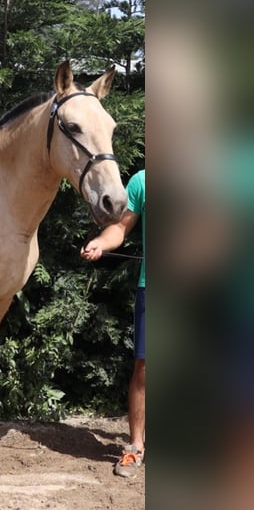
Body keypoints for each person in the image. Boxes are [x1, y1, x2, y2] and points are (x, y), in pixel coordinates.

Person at [81, 168, 145, 478]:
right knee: (145, 367)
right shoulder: (143, 181)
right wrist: (101, 244)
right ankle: (135, 447)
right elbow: (120, 227)